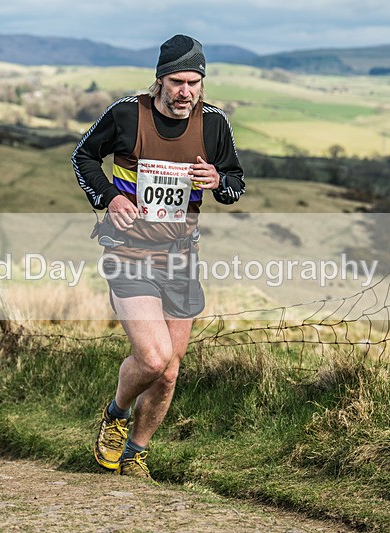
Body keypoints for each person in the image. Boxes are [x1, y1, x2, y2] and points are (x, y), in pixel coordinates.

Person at [72, 34, 245, 479]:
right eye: (177, 82)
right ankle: (116, 412)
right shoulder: (128, 114)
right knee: (152, 357)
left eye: (194, 82)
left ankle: (135, 455)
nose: (186, 91)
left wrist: (215, 180)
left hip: (181, 257)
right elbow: (84, 157)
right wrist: (110, 197)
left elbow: (235, 185)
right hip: (128, 252)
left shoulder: (214, 124)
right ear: (160, 80)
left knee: (169, 371)